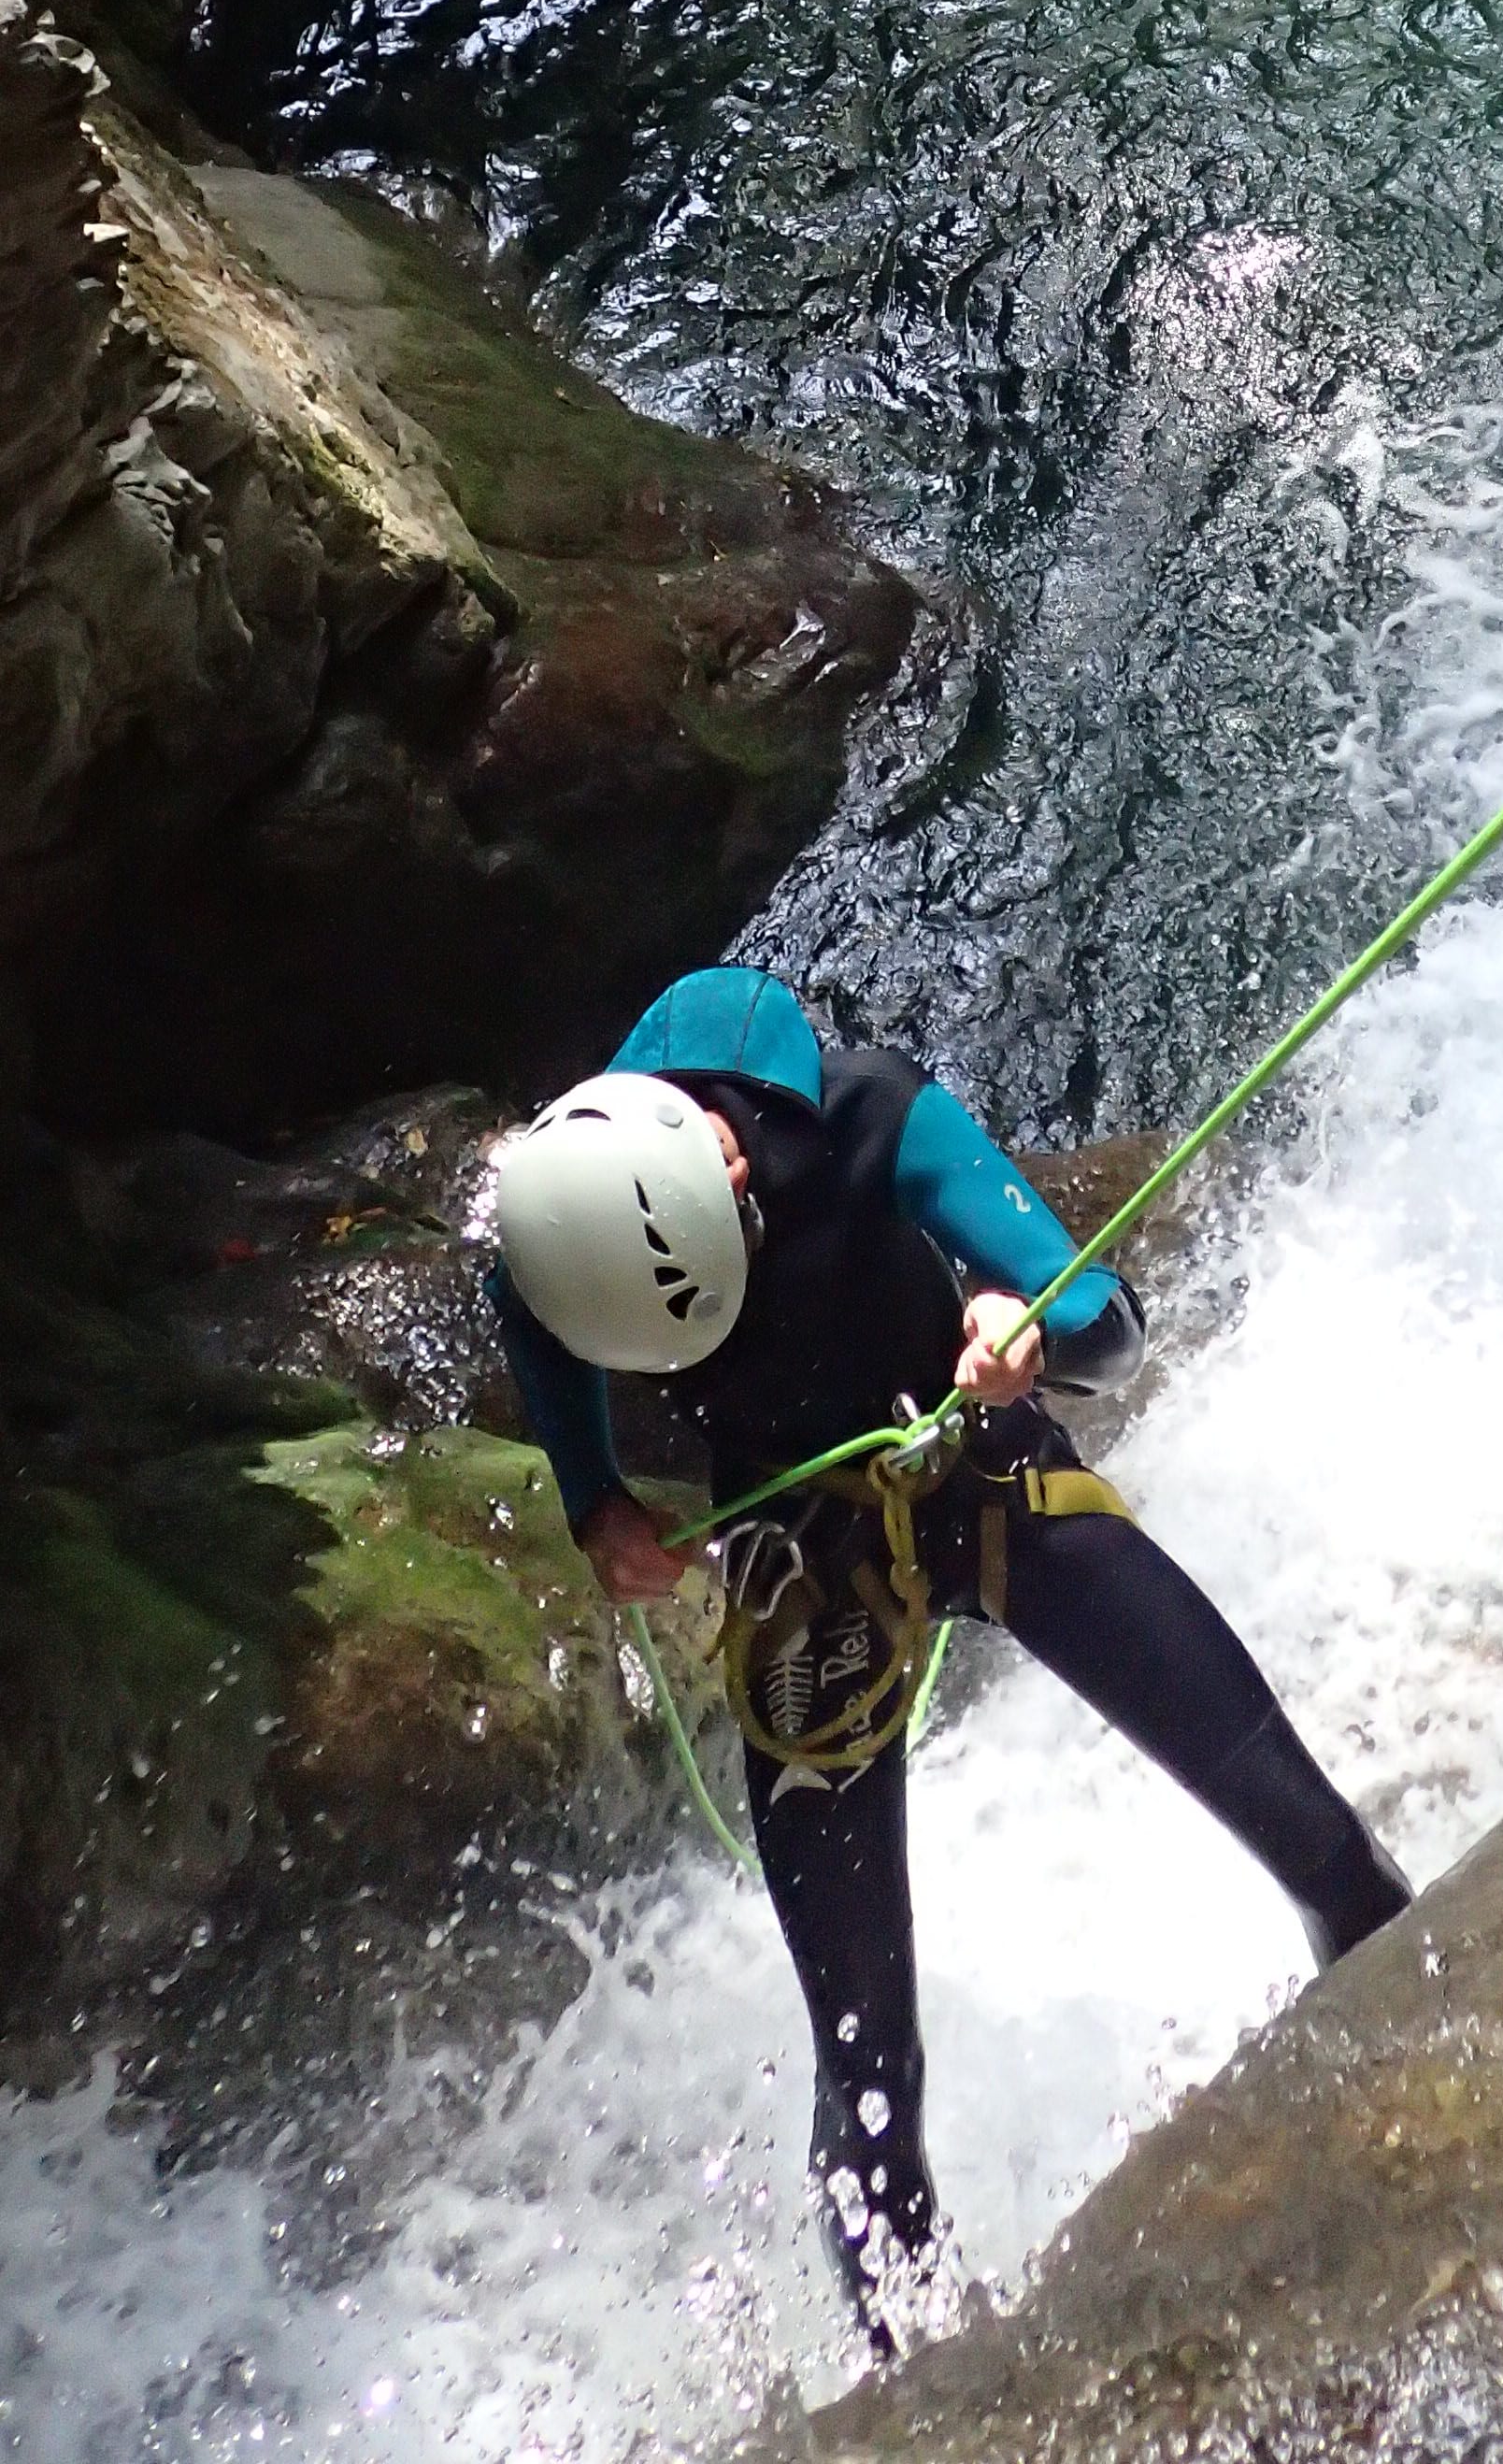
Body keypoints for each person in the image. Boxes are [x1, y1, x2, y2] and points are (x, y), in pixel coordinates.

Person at [490, 964, 1408, 2341]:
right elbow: (535, 1320)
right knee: (865, 2073)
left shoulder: (878, 1117)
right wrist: (595, 1505)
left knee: (1314, 1844)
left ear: (730, 1176)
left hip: (987, 1478)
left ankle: (1450, 2084)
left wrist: (1021, 1328)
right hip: (810, 1571)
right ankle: (918, 2381)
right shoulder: (557, 1215)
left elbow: (1114, 1334)